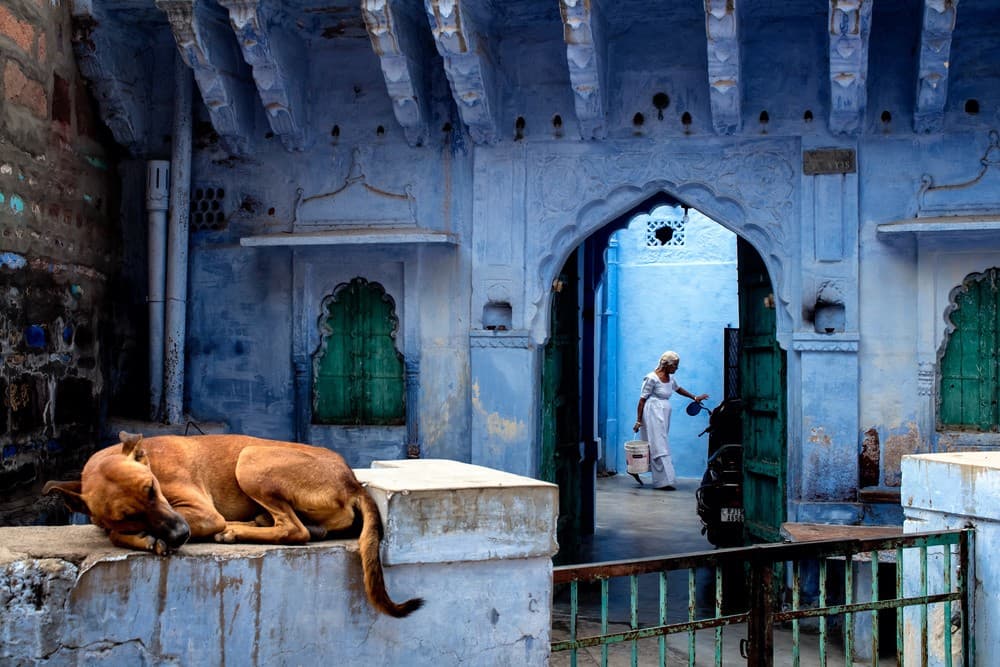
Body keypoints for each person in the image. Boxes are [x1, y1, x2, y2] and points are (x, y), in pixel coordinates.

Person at [631, 351, 708, 489]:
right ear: (667, 365)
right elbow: (642, 400)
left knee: (660, 442)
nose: (676, 369)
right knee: (659, 444)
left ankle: (640, 471)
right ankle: (664, 481)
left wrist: (694, 397)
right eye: (675, 366)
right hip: (653, 412)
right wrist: (638, 421)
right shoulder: (651, 378)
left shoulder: (670, 378)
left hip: (664, 413)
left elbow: (678, 389)